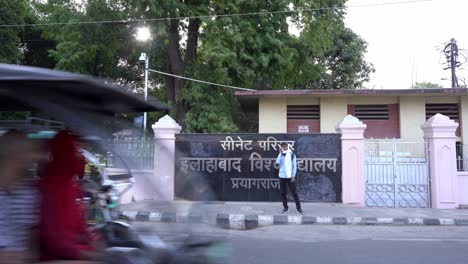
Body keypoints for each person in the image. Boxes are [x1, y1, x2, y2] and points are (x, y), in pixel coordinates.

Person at [38, 130, 103, 262]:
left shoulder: (69, 186)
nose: (80, 155)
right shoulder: (50, 188)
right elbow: (55, 242)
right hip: (58, 257)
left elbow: (79, 229)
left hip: (74, 252)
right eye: (75, 149)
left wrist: (93, 242)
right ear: (64, 152)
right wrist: (91, 254)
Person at [0, 130, 41, 264]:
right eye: (28, 151)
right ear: (14, 154)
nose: (34, 156)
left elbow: (31, 237)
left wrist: (31, 252)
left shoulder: (29, 193)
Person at [275, 142, 303, 215]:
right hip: (282, 176)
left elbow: (294, 166)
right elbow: (277, 163)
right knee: (283, 193)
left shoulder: (292, 154)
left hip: (290, 177)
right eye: (283, 146)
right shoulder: (281, 154)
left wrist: (293, 176)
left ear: (288, 146)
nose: (284, 147)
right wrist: (280, 153)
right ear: (281, 147)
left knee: (294, 193)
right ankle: (285, 208)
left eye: (285, 146)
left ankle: (299, 208)